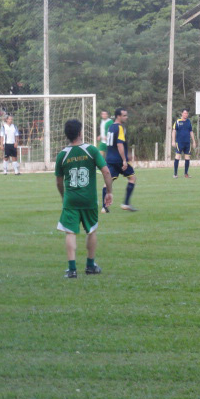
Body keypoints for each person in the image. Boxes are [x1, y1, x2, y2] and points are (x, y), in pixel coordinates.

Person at [55, 119, 113, 278]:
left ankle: (72, 269)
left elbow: (59, 181)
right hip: (89, 199)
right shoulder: (91, 150)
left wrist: (64, 196)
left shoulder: (62, 155)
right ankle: (90, 266)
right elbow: (106, 172)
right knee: (92, 230)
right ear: (80, 132)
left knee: (70, 233)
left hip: (71, 200)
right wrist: (109, 192)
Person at [103, 108, 137, 212]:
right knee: (132, 178)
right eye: (124, 115)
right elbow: (119, 144)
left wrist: (127, 154)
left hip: (110, 159)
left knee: (108, 182)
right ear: (118, 116)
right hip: (119, 159)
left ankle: (104, 207)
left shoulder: (111, 127)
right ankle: (126, 203)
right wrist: (124, 160)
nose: (126, 117)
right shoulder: (120, 127)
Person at [172, 108, 197, 178]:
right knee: (177, 156)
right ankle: (175, 174)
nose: (186, 114)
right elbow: (174, 131)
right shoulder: (177, 121)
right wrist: (173, 141)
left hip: (187, 143)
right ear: (182, 114)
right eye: (185, 113)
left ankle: (186, 174)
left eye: (187, 113)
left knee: (187, 157)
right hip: (179, 142)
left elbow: (191, 131)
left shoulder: (189, 122)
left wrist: (194, 141)